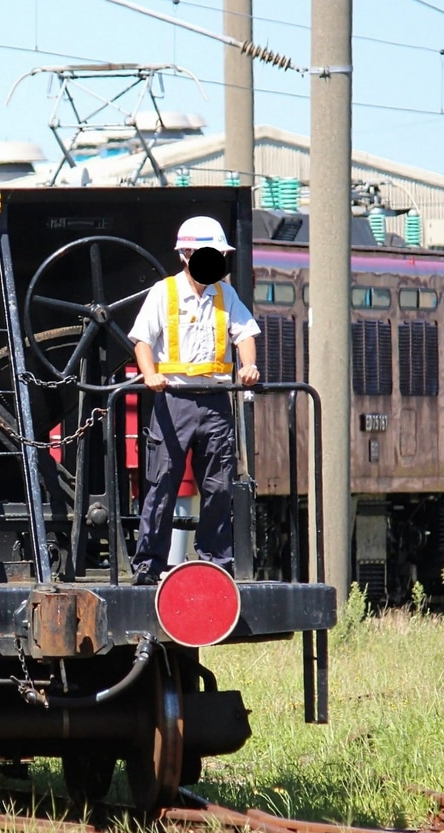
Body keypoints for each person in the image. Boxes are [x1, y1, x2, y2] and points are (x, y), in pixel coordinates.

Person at [128, 215, 260, 584]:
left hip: (216, 401)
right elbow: (141, 339)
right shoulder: (164, 292)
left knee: (218, 486)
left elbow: (244, 332)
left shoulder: (226, 295)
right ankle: (148, 565)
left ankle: (216, 563)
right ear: (186, 254)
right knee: (162, 482)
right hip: (173, 399)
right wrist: (150, 373)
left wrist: (248, 365)